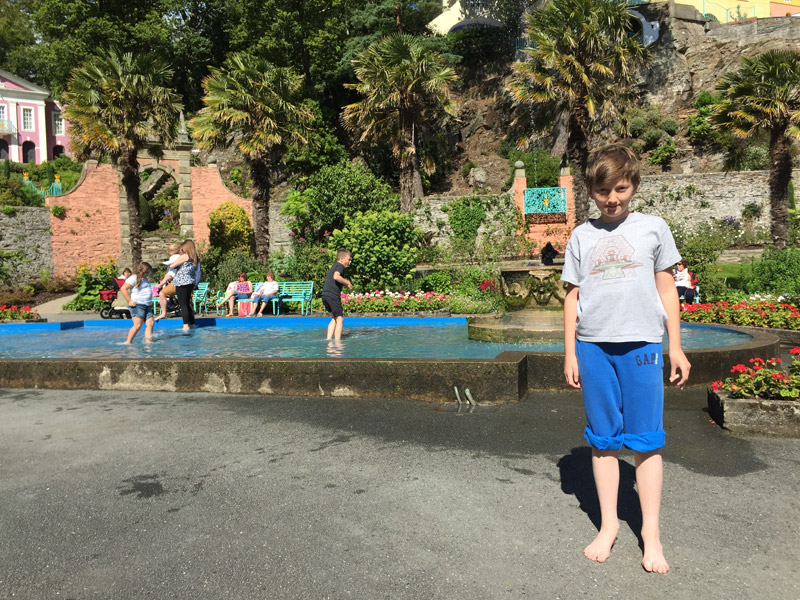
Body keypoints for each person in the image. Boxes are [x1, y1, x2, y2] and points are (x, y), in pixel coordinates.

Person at [561, 144, 690, 574]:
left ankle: (650, 534)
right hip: (593, 347)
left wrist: (675, 345)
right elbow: (572, 296)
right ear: (591, 191)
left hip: (642, 347)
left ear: (633, 184)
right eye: (602, 190)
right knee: (603, 440)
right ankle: (610, 524)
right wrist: (570, 352)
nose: (612, 198)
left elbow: (667, 288)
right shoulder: (582, 236)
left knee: (646, 440)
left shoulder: (653, 228)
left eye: (619, 188)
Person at [119, 262, 155, 344]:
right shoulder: (133, 278)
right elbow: (123, 289)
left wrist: (149, 301)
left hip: (146, 305)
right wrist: (129, 300)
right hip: (137, 305)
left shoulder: (145, 280)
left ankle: (148, 342)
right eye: (148, 271)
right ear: (143, 270)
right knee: (137, 325)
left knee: (150, 324)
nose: (149, 273)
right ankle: (128, 342)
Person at [321, 249, 353, 340]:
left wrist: (345, 284)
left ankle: (328, 339)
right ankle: (338, 342)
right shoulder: (340, 265)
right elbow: (336, 277)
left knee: (334, 318)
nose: (350, 262)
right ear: (341, 259)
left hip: (325, 295)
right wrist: (348, 283)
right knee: (340, 319)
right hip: (332, 295)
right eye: (349, 259)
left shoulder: (334, 265)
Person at [170, 239, 200, 332]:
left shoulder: (185, 256)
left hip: (182, 283)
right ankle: (192, 324)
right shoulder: (194, 257)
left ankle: (185, 325)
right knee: (187, 304)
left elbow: (172, 266)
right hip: (190, 282)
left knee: (183, 304)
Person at [153, 243, 181, 321]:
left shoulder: (176, 257)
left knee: (162, 294)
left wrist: (164, 263)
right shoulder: (179, 257)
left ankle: (163, 313)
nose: (169, 253)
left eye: (171, 251)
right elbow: (168, 274)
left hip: (177, 281)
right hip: (177, 281)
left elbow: (170, 274)